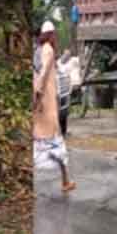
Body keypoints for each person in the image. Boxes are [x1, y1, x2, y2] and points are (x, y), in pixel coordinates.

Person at [34, 21, 76, 192]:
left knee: (47, 142)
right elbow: (43, 74)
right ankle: (65, 181)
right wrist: (38, 94)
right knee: (53, 142)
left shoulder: (40, 50)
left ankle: (66, 180)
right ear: (50, 35)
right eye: (54, 34)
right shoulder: (48, 50)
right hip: (45, 103)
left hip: (45, 102)